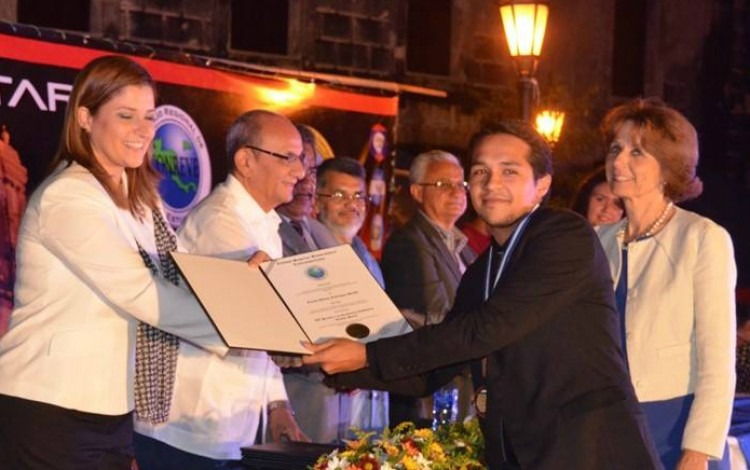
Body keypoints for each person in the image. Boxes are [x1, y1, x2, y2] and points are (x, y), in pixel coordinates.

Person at [303, 120, 660, 470]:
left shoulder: (565, 236)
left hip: (589, 450)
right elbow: (434, 371)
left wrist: (368, 354)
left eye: (509, 172)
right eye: (479, 172)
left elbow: (485, 329)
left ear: (541, 186)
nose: (491, 184)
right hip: (517, 453)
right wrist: (333, 362)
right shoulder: (481, 269)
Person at [0, 55, 228, 469]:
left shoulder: (141, 198)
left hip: (112, 409)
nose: (144, 131)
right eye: (126, 116)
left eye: (149, 116)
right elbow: (139, 290)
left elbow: (184, 273)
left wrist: (246, 278)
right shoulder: (68, 196)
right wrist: (236, 325)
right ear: (85, 117)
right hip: (48, 407)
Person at [134, 110, 307, 469]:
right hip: (188, 429)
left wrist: (277, 404)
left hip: (227, 429)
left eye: (301, 159)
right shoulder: (220, 221)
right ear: (246, 160)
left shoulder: (263, 223)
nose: (300, 171)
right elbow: (259, 315)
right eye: (288, 157)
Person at [597, 98, 736, 469]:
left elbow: (718, 361)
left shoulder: (702, 238)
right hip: (609, 424)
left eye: (637, 151)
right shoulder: (598, 239)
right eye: (615, 148)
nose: (619, 160)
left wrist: (698, 451)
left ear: (668, 167)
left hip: (676, 426)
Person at [380, 149, 476, 427]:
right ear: (417, 192)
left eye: (461, 184)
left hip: (462, 392)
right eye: (443, 184)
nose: (456, 192)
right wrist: (484, 327)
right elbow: (423, 319)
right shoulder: (409, 244)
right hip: (430, 397)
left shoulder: (463, 247)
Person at [276, 126, 348, 444]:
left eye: (313, 170)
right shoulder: (264, 229)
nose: (307, 180)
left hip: (335, 393)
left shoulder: (321, 232)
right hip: (290, 396)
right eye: (298, 168)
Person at [315, 156, 388, 434]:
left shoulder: (368, 258)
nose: (351, 204)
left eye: (359, 196)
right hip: (322, 400)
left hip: (367, 402)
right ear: (317, 201)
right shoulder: (303, 255)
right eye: (339, 195)